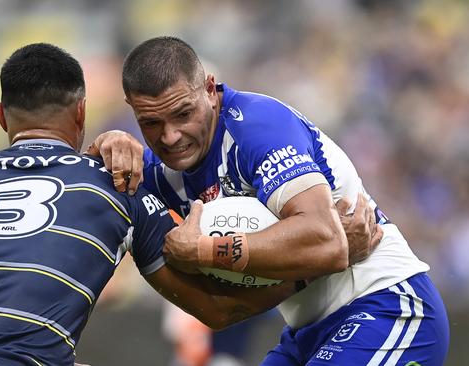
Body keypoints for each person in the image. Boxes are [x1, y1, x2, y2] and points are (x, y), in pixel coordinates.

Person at [0, 43, 299, 366]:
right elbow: (217, 310)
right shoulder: (119, 186)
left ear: (3, 116)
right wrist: (302, 276)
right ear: (81, 112)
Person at [89, 36, 449, 365]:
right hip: (307, 330)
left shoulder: (258, 126)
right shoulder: (154, 174)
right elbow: (218, 313)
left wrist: (203, 251)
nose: (170, 136)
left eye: (183, 114)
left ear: (210, 90)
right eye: (150, 123)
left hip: (386, 305)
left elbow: (328, 240)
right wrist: (103, 147)